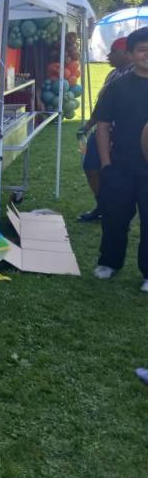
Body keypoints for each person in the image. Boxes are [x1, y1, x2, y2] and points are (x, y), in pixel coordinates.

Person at [93, 26, 148, 289]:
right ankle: (110, 262)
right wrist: (106, 163)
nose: (147, 54)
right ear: (131, 54)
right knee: (114, 217)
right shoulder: (118, 87)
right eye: (142, 50)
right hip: (121, 165)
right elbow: (102, 125)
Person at [76, 37, 132, 222]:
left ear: (126, 54)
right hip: (102, 131)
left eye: (113, 51)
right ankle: (103, 206)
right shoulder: (113, 74)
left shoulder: (136, 77)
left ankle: (117, 211)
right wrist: (89, 125)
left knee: (119, 176)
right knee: (91, 167)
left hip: (123, 136)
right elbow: (102, 105)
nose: (108, 56)